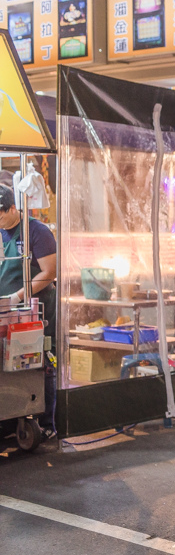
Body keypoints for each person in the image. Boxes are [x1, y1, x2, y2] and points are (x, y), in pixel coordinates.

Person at [0, 184, 58, 440]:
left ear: (13, 208)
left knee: (41, 363)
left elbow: (49, 272)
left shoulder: (37, 231)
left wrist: (17, 297)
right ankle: (10, 419)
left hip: (35, 311)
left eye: (0, 215)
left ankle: (46, 423)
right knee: (7, 365)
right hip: (6, 311)